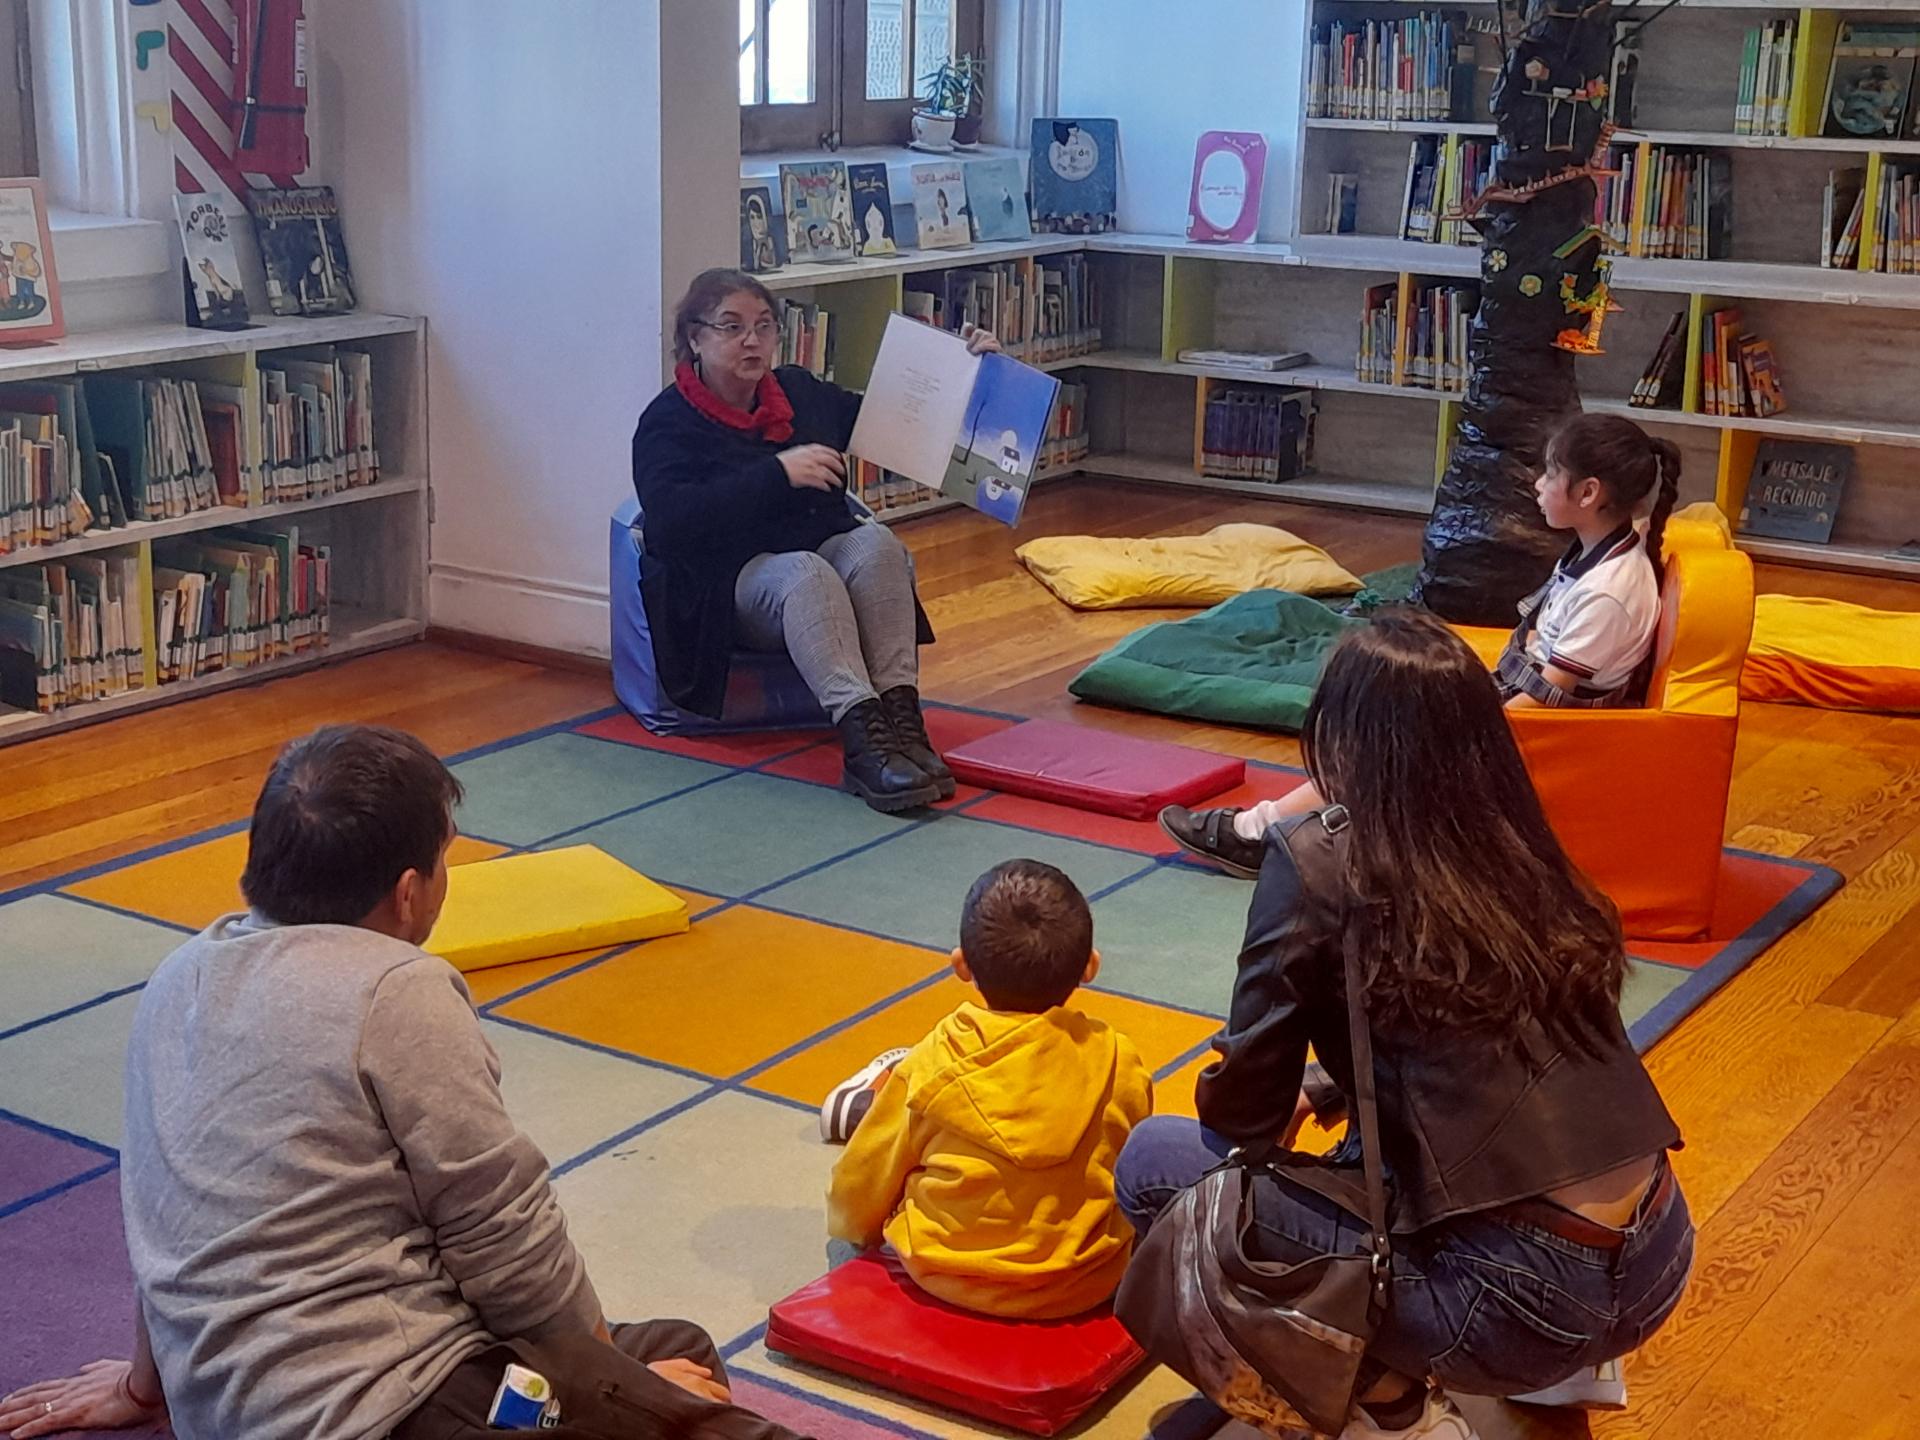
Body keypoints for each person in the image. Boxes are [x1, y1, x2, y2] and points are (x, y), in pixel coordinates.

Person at [0, 725, 798, 1440]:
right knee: (711, 1422)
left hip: (233, 1402)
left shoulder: (181, 975)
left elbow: (167, 1212)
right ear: (410, 890)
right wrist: (620, 1392)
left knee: (679, 1351)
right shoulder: (395, 986)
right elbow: (501, 1230)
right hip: (389, 1405)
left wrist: (149, 1385)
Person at [1115, 611, 1692, 1440]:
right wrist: (1332, 1075)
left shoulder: (1316, 860)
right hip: (1657, 1254)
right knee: (1361, 1155)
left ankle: (1394, 1410)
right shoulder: (1518, 841)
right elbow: (1491, 1043)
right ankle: (1534, 1390)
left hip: (1517, 1302)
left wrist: (1244, 1070)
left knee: (1156, 1163)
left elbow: (1241, 1120)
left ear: (1340, 740)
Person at [1161, 412, 1680, 878]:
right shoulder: (1599, 553)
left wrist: (1463, 721)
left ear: (1588, 493)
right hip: (1522, 709)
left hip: (1538, 730)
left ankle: (1260, 834)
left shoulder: (1610, 590)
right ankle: (1290, 829)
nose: (1539, 486)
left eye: (1550, 474)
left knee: (1386, 735)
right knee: (1382, 687)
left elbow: (1548, 698)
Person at [633, 267, 998, 814]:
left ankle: (902, 718)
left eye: (763, 326)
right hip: (726, 584)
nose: (751, 340)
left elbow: (898, 420)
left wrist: (972, 370)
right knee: (805, 570)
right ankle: (861, 739)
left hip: (817, 556)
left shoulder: (799, 392)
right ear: (695, 338)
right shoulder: (666, 423)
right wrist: (776, 474)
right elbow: (670, 521)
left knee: (877, 545)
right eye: (731, 327)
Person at [821, 860, 1152, 1319]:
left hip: (943, 1277)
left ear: (961, 965)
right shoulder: (1118, 1057)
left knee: (844, 1244)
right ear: (1090, 967)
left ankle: (866, 1100)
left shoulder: (932, 1062)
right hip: (1082, 1285)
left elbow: (856, 1198)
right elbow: (1127, 1168)